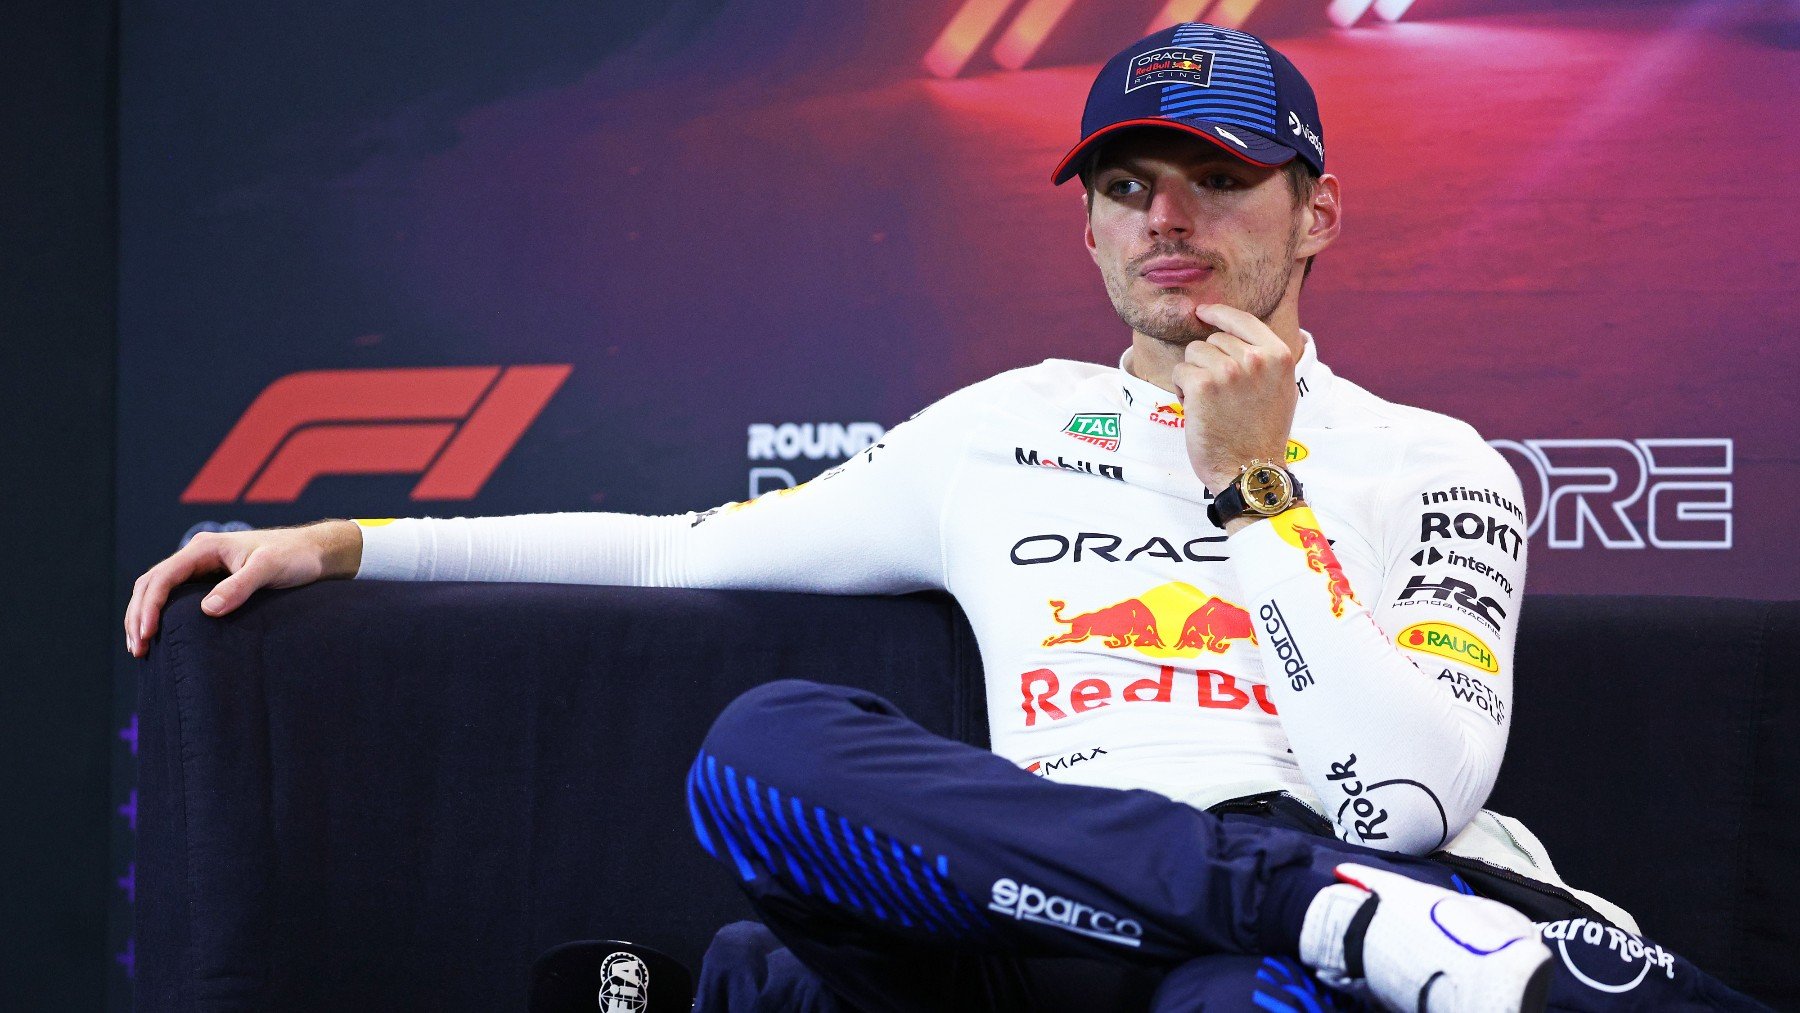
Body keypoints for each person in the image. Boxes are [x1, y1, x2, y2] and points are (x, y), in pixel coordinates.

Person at [125, 22, 1767, 1013]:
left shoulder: (1437, 462)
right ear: (1091, 233)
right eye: (1127, 184)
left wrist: (1252, 482)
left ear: (1316, 208)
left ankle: (1286, 919)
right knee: (762, 747)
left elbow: (1403, 796)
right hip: (1037, 912)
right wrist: (351, 545)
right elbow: (675, 549)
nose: (1166, 218)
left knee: (1251, 983)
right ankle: (1284, 908)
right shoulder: (1000, 426)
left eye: (1214, 175)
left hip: (1308, 909)